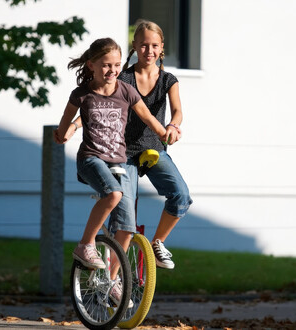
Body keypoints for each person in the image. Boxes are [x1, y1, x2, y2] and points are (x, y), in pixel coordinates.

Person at [67, 21, 193, 270]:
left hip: (153, 149)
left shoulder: (168, 79)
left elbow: (177, 111)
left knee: (181, 195)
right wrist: (75, 125)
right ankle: (114, 279)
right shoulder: (122, 78)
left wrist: (173, 127)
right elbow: (97, 109)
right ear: (134, 46)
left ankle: (158, 244)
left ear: (162, 48)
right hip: (121, 152)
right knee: (126, 220)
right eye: (143, 45)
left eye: (154, 45)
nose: (149, 50)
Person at [54, 37, 166, 302]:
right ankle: (86, 245)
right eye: (106, 65)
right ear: (91, 65)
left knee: (127, 228)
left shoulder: (125, 91)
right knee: (113, 195)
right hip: (91, 159)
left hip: (118, 161)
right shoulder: (83, 93)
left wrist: (165, 131)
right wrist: (63, 132)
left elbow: (146, 116)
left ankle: (111, 281)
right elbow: (66, 119)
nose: (112, 70)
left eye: (116, 65)